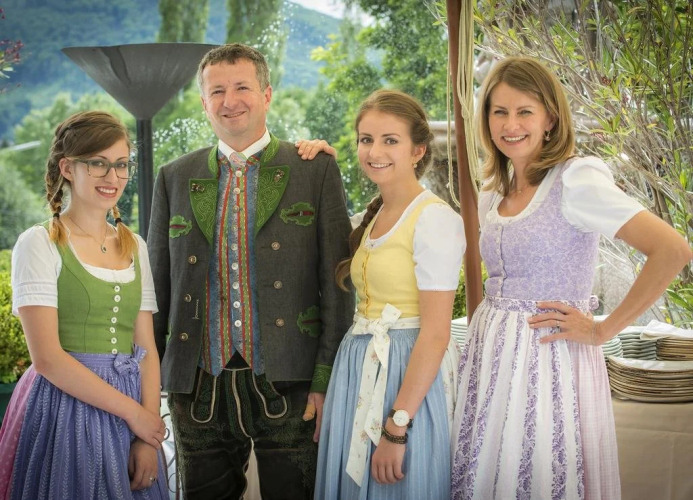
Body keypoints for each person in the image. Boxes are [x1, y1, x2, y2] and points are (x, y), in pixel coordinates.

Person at [450, 56, 693, 499]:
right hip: (490, 357)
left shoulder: (577, 180)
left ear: (550, 117)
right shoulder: (494, 189)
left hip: (548, 363)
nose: (510, 124)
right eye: (499, 111)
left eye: (524, 111)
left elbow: (672, 250)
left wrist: (602, 329)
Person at [147, 43, 354, 500]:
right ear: (203, 102)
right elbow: (156, 291)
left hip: (291, 380)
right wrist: (153, 387)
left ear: (267, 94)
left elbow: (339, 286)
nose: (230, 101)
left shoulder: (314, 169)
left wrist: (325, 379)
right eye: (217, 91)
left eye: (242, 87)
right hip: (196, 386)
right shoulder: (173, 176)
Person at [0, 111, 168, 499]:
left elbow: (146, 348)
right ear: (67, 168)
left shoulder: (135, 245)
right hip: (64, 407)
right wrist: (135, 415)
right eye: (98, 163)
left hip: (132, 408)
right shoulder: (39, 243)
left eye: (121, 164)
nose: (113, 177)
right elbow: (48, 359)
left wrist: (148, 435)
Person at [314, 89, 466, 500]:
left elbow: (436, 333)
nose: (374, 151)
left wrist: (397, 427)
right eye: (366, 139)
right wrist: (313, 159)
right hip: (358, 366)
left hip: (406, 371)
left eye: (390, 140)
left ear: (418, 150)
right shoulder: (373, 215)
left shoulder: (435, 220)